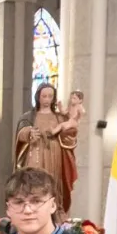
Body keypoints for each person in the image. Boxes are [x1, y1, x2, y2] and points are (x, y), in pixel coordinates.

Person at [15, 83, 79, 214]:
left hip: (54, 153)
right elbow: (20, 133)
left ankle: (54, 210)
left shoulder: (59, 117)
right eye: (44, 96)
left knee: (53, 181)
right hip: (35, 151)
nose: (47, 99)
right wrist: (29, 133)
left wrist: (66, 129)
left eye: (50, 96)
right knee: (33, 181)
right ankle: (33, 207)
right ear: (38, 97)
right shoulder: (29, 117)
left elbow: (71, 133)